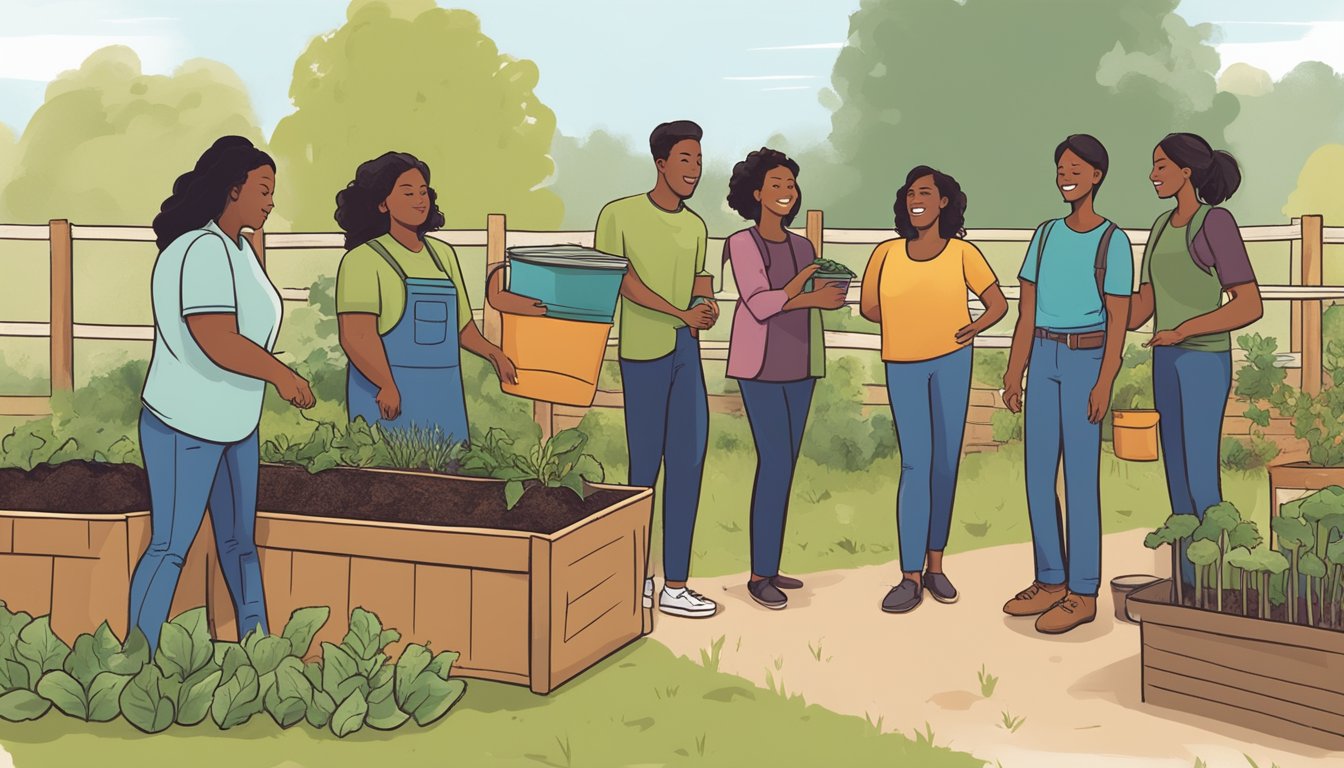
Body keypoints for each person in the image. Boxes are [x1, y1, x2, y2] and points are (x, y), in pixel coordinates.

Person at [133, 136, 315, 651]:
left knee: (239, 545)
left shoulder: (235, 246)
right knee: (170, 546)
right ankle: (135, 657)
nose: (271, 201)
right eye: (263, 189)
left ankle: (259, 650)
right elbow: (216, 338)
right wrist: (281, 375)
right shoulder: (200, 248)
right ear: (232, 189)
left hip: (235, 422)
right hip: (184, 424)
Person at [859, 166, 1008, 614]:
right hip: (903, 365)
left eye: (925, 192)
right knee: (915, 465)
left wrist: (972, 328)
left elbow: (997, 304)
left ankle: (936, 566)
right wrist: (912, 324)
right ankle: (909, 575)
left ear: (945, 202)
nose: (915, 199)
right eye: (910, 193)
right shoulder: (885, 252)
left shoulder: (963, 252)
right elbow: (869, 307)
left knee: (944, 464)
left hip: (951, 363)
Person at [1002, 135, 1133, 635]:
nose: (1065, 175)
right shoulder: (1044, 235)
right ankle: (1050, 580)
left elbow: (1119, 320)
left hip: (1087, 358)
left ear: (1097, 175)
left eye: (1075, 168)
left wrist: (1105, 382)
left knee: (1080, 478)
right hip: (1045, 355)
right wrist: (1015, 371)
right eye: (1060, 168)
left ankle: (1083, 590)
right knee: (1038, 475)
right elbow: (1026, 310)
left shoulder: (1112, 241)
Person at [595, 120, 719, 619]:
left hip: (686, 355)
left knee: (688, 464)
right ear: (661, 163)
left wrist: (705, 309)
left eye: (698, 159)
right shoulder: (619, 215)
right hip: (644, 354)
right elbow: (619, 281)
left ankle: (676, 584)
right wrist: (681, 313)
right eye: (684, 158)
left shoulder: (695, 226)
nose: (693, 169)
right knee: (643, 469)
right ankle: (636, 578)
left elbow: (702, 283)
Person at [1129, 133, 1262, 585]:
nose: (1153, 175)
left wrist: (1184, 329)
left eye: (1161, 166)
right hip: (1166, 361)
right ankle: (1189, 585)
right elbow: (1142, 307)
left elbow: (1248, 304)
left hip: (1203, 361)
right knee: (1177, 476)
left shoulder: (1214, 223)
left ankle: (1217, 584)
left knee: (1202, 474)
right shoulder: (1161, 227)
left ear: (1187, 171)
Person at [723, 148, 846, 610]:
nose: (786, 193)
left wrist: (821, 294)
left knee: (786, 465)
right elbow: (759, 303)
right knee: (774, 462)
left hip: (800, 365)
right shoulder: (741, 243)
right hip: (761, 368)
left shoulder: (802, 247)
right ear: (755, 194)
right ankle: (758, 576)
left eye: (790, 186)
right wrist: (808, 295)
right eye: (776, 185)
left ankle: (770, 566)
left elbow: (802, 298)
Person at [334, 152, 517, 441]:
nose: (419, 200)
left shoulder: (443, 255)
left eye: (423, 192)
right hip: (387, 397)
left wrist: (494, 354)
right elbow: (357, 335)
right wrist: (386, 384)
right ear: (382, 203)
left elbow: (461, 327)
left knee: (449, 470)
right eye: (407, 193)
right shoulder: (363, 260)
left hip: (443, 394)